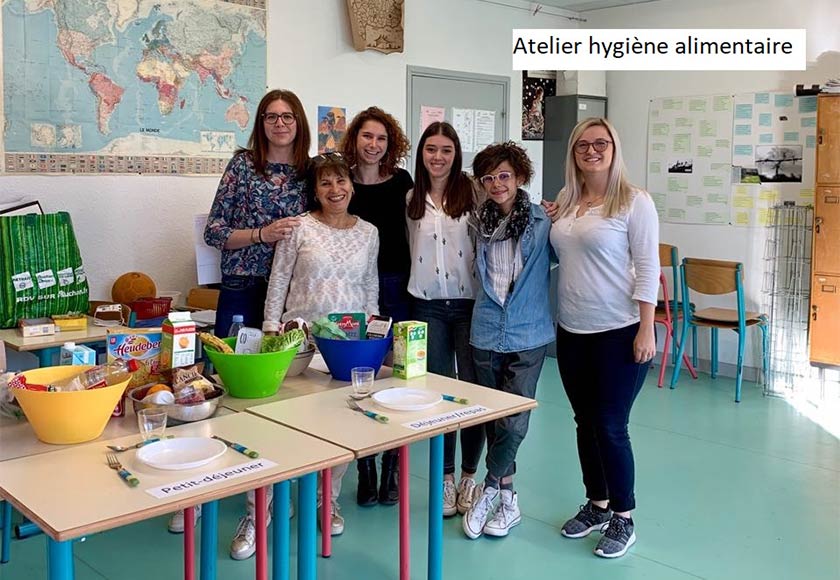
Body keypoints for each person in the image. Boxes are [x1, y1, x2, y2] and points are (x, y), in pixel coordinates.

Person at [190, 89, 311, 560]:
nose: (279, 124)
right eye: (270, 116)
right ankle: (206, 487)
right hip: (242, 288)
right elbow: (214, 231)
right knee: (229, 388)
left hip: (291, 295)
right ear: (260, 123)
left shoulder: (310, 169)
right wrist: (263, 234)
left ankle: (268, 490)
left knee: (287, 394)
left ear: (299, 122)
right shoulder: (243, 165)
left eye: (287, 116)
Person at [550, 117, 658, 559]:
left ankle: (624, 516)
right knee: (584, 423)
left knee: (612, 427)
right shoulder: (567, 200)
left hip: (620, 331)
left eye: (600, 143)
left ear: (614, 149)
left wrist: (647, 328)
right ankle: (597, 503)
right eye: (582, 145)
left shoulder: (635, 202)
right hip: (572, 329)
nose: (591, 151)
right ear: (573, 153)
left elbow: (648, 267)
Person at [263, 152, 380, 537]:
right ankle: (280, 495)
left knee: (342, 425)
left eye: (341, 181)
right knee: (294, 423)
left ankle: (325, 498)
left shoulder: (369, 232)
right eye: (325, 183)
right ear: (315, 189)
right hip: (302, 341)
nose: (335, 189)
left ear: (352, 184)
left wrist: (373, 335)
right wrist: (269, 327)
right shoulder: (298, 227)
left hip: (348, 343)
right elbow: (279, 278)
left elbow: (369, 286)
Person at [462, 141, 554, 540]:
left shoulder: (544, 221)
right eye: (489, 177)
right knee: (491, 418)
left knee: (515, 420)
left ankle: (488, 486)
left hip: (529, 331)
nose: (497, 183)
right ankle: (509, 499)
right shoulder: (475, 224)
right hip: (484, 328)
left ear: (519, 177)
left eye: (505, 175)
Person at [407, 121, 485, 517]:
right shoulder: (411, 198)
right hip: (428, 306)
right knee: (437, 394)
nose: (438, 157)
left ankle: (470, 476)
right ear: (422, 154)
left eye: (446, 150)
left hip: (469, 306)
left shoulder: (473, 193)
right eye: (431, 149)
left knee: (470, 392)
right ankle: (446, 477)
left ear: (456, 156)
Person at [341, 106, 413, 507]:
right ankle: (365, 464)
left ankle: (392, 465)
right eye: (367, 136)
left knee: (395, 377)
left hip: (398, 287)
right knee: (361, 376)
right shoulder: (340, 183)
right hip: (356, 290)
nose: (374, 144)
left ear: (391, 144)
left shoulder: (402, 180)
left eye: (382, 138)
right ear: (355, 139)